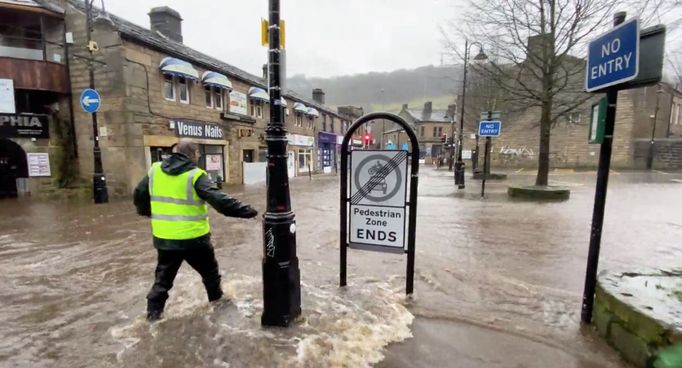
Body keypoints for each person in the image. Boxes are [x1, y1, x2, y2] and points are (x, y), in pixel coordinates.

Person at [133, 141, 258, 321]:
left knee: (162, 282)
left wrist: (146, 212)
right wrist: (248, 212)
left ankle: (152, 318)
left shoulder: (155, 170)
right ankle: (217, 308)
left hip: (166, 239)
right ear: (194, 153)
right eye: (198, 154)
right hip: (195, 240)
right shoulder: (195, 175)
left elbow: (139, 194)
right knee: (210, 276)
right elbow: (220, 201)